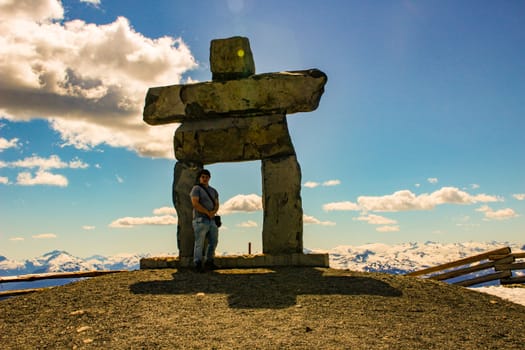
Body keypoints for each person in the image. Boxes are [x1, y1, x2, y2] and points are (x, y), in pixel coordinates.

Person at [190, 169, 219, 272]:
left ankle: (209, 262)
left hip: (211, 220)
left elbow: (216, 204)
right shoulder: (196, 189)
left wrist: (214, 211)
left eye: (206, 177)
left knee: (213, 241)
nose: (205, 179)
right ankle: (197, 263)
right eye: (203, 177)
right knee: (199, 243)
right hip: (200, 219)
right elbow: (195, 203)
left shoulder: (214, 191)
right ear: (199, 178)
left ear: (209, 178)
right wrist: (207, 212)